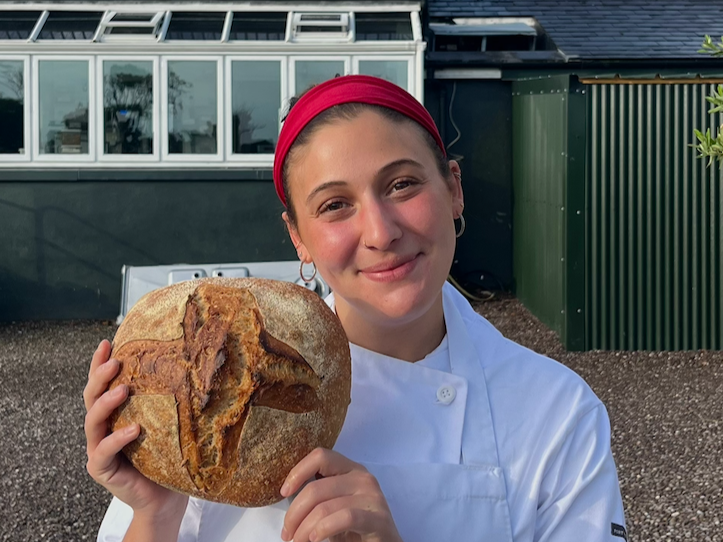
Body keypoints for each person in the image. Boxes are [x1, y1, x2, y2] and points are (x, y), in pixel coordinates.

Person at [84, 75, 627, 542]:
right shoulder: (196, 405)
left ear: (454, 189)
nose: (381, 231)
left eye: (403, 184)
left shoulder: (555, 414)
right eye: (335, 205)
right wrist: (154, 514)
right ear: (298, 237)